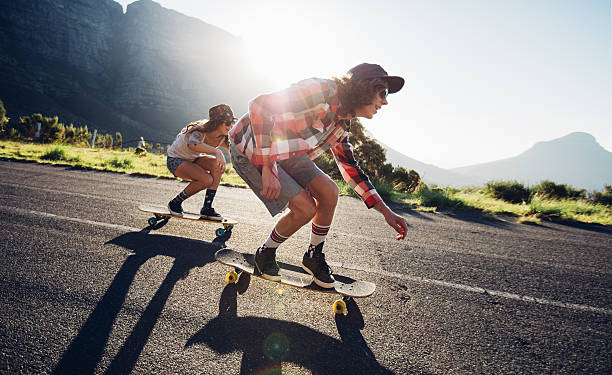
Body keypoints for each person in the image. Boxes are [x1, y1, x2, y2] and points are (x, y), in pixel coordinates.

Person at [229, 63, 408, 288]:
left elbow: (349, 167)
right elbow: (260, 105)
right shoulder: (322, 91)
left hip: (286, 151)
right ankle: (265, 253)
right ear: (364, 88)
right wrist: (267, 167)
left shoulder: (342, 124)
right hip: (250, 147)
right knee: (305, 208)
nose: (385, 101)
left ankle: (313, 256)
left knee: (329, 192)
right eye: (382, 93)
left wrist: (385, 211)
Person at [166, 104, 237, 220]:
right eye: (227, 123)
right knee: (207, 180)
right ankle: (175, 203)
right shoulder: (200, 130)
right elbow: (192, 144)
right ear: (217, 122)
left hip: (193, 159)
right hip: (175, 160)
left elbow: (236, 154)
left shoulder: (223, 137)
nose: (231, 126)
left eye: (232, 122)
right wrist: (217, 152)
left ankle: (207, 208)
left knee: (217, 166)